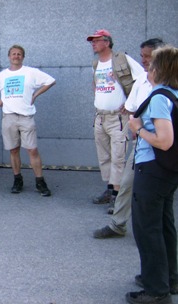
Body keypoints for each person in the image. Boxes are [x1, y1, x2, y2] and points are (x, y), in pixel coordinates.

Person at [94, 38, 167, 239]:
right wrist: (133, 122)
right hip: (143, 145)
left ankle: (160, 236)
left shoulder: (169, 83)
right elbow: (132, 108)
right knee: (127, 183)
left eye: (148, 56)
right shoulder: (142, 81)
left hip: (165, 146)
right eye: (142, 55)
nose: (143, 60)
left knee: (158, 196)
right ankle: (118, 225)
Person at [125, 46, 178, 304]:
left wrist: (138, 128)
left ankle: (156, 290)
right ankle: (169, 277)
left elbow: (164, 140)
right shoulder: (174, 94)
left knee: (147, 228)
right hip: (168, 171)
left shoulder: (159, 97)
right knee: (164, 224)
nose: (149, 68)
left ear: (160, 69)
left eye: (152, 64)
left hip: (153, 168)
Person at [0, 45, 55, 196]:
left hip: (26, 117)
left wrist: (36, 95)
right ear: (9, 56)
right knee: (14, 150)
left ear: (23, 57)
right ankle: (17, 179)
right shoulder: (3, 75)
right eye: (13, 54)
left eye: (19, 54)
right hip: (9, 117)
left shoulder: (30, 72)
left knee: (32, 150)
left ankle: (40, 182)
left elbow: (50, 81)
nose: (16, 56)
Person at [87, 29, 145, 205]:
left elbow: (143, 79)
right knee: (104, 156)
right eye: (92, 41)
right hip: (100, 117)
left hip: (118, 118)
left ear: (107, 42)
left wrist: (130, 105)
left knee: (118, 156)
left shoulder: (122, 59)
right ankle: (110, 188)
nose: (93, 44)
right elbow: (96, 86)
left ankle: (117, 196)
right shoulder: (96, 63)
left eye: (96, 41)